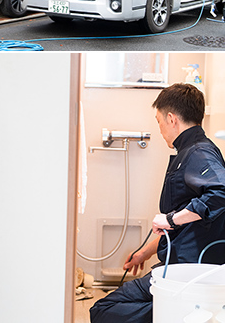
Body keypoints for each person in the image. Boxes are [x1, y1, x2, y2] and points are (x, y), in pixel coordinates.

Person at [90, 83, 225, 323]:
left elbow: (221, 193)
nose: (160, 129)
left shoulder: (198, 152)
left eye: (159, 121)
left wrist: (170, 218)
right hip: (180, 266)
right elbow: (184, 225)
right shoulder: (191, 151)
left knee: (102, 309)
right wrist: (143, 253)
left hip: (185, 273)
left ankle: (176, 314)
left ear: (172, 119)